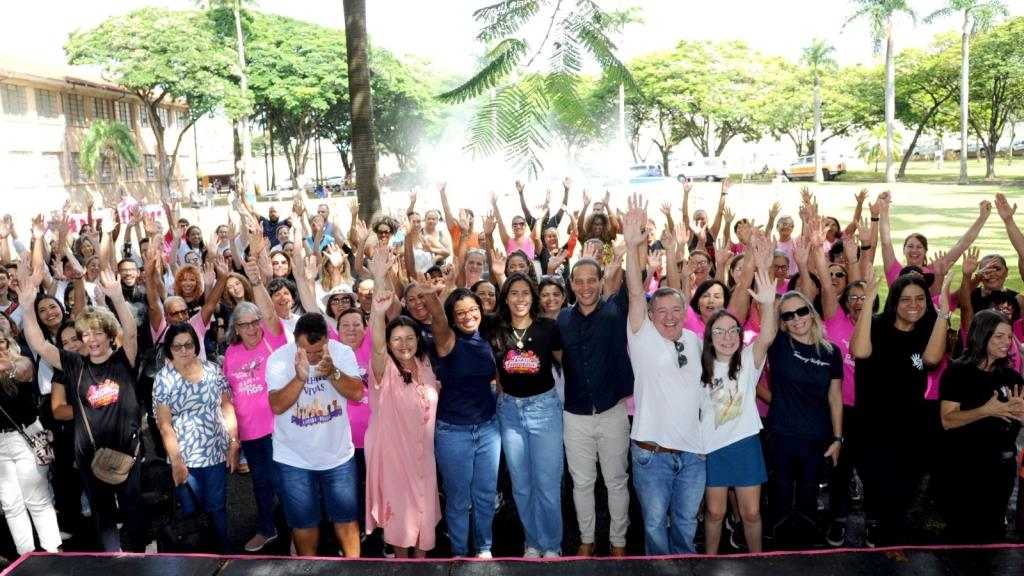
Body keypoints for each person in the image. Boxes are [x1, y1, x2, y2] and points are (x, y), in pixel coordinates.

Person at [22, 269, 144, 552]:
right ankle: (115, 560)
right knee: (103, 515)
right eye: (86, 334)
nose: (92, 339)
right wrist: (27, 308)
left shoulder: (122, 360)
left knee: (133, 509)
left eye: (98, 332)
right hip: (90, 457)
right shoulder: (74, 365)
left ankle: (138, 559)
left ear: (108, 334)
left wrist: (115, 297)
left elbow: (132, 332)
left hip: (128, 450)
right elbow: (38, 343)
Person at [622, 195, 705, 555]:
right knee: (655, 525)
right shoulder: (641, 336)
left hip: (693, 454)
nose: (669, 316)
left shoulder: (696, 339)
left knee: (687, 524)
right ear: (651, 315)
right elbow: (637, 290)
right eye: (662, 311)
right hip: (650, 454)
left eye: (676, 310)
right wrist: (632, 245)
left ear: (685, 311)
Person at [852, 268, 952, 547]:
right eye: (906, 299)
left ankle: (886, 534)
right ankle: (880, 531)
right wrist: (870, 296)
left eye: (920, 299)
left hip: (911, 427)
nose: (914, 305)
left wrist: (943, 310)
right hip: (874, 426)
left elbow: (932, 359)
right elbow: (858, 352)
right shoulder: (876, 324)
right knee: (886, 487)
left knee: (904, 491)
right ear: (894, 301)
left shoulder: (926, 331)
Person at [266, 313, 364, 558]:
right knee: (303, 523)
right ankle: (308, 568)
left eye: (318, 351)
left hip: (337, 456)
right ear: (296, 341)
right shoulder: (278, 359)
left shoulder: (341, 353)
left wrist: (333, 372)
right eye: (305, 352)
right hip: (294, 458)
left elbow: (356, 393)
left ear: (328, 341)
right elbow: (276, 405)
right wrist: (300, 378)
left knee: (346, 519)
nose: (311, 358)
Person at [700, 246, 777, 555]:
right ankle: (709, 561)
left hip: (745, 445)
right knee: (715, 513)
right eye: (720, 332)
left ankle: (758, 561)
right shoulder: (699, 365)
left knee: (751, 513)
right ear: (709, 337)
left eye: (733, 331)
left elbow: (768, 336)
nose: (727, 337)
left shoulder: (747, 361)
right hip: (712, 448)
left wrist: (769, 304)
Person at [558, 249, 634, 557]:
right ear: (572, 284)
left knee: (616, 481)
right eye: (580, 281)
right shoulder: (561, 319)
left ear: (602, 282)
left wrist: (631, 245)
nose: (586, 287)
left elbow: (635, 287)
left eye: (593, 280)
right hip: (575, 416)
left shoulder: (617, 311)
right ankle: (586, 540)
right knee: (582, 484)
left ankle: (619, 542)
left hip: (612, 411)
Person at [365, 270, 441, 558]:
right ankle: (403, 564)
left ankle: (420, 565)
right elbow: (376, 347)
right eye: (397, 339)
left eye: (409, 337)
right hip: (395, 457)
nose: (404, 344)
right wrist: (377, 312)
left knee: (423, 511)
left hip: (424, 456)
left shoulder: (423, 364)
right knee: (401, 514)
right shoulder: (384, 371)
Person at [422, 286, 500, 558]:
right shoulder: (446, 341)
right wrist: (431, 295)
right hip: (453, 432)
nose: (469, 316)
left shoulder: (489, 337)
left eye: (473, 310)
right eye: (461, 313)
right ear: (453, 318)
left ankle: (484, 548)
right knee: (458, 499)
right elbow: (438, 319)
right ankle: (458, 553)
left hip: (489, 428)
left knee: (485, 495)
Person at [491, 272, 564, 558]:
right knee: (521, 485)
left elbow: (563, 360)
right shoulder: (495, 328)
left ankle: (552, 545)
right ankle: (532, 542)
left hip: (544, 410)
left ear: (533, 297)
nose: (520, 299)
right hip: (509, 412)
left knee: (547, 484)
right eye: (514, 293)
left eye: (525, 293)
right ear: (506, 298)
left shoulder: (548, 327)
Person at [764, 291, 843, 546]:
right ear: (782, 321)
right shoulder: (777, 345)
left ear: (811, 311)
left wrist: (838, 438)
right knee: (781, 499)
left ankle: (807, 555)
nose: (796, 318)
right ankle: (778, 555)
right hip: (782, 435)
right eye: (788, 315)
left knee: (809, 500)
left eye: (801, 311)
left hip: (816, 437)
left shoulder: (831, 352)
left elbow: (835, 397)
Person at [938, 309, 1024, 543]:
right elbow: (947, 420)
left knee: (993, 535)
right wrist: (985, 411)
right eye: (999, 336)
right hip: (963, 470)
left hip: (1000, 471)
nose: (1007, 342)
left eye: (1009, 336)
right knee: (962, 537)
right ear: (982, 336)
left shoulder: (1012, 379)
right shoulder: (958, 373)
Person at [153, 322, 239, 553]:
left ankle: (224, 555)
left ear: (196, 345)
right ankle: (199, 559)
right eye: (177, 346)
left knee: (217, 507)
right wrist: (177, 462)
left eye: (188, 345)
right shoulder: (164, 379)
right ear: (169, 349)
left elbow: (227, 407)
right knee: (191, 514)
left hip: (216, 451)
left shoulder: (213, 370)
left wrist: (233, 443)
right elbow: (164, 425)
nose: (183, 350)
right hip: (185, 457)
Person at [222, 260, 289, 553]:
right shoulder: (231, 353)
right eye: (244, 324)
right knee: (261, 483)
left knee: (285, 481)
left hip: (279, 428)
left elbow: (272, 314)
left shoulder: (274, 340)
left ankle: (299, 531)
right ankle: (267, 529)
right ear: (236, 327)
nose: (250, 328)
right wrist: (234, 438)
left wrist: (257, 281)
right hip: (250, 434)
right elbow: (229, 395)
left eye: (254, 322)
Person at [0, 329, 61, 555]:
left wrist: (9, 370)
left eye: (0, 342)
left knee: (36, 499)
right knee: (11, 505)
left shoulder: (20, 362)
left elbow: (24, 373)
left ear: (8, 343)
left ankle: (53, 551)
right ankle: (25, 557)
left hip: (25, 438)